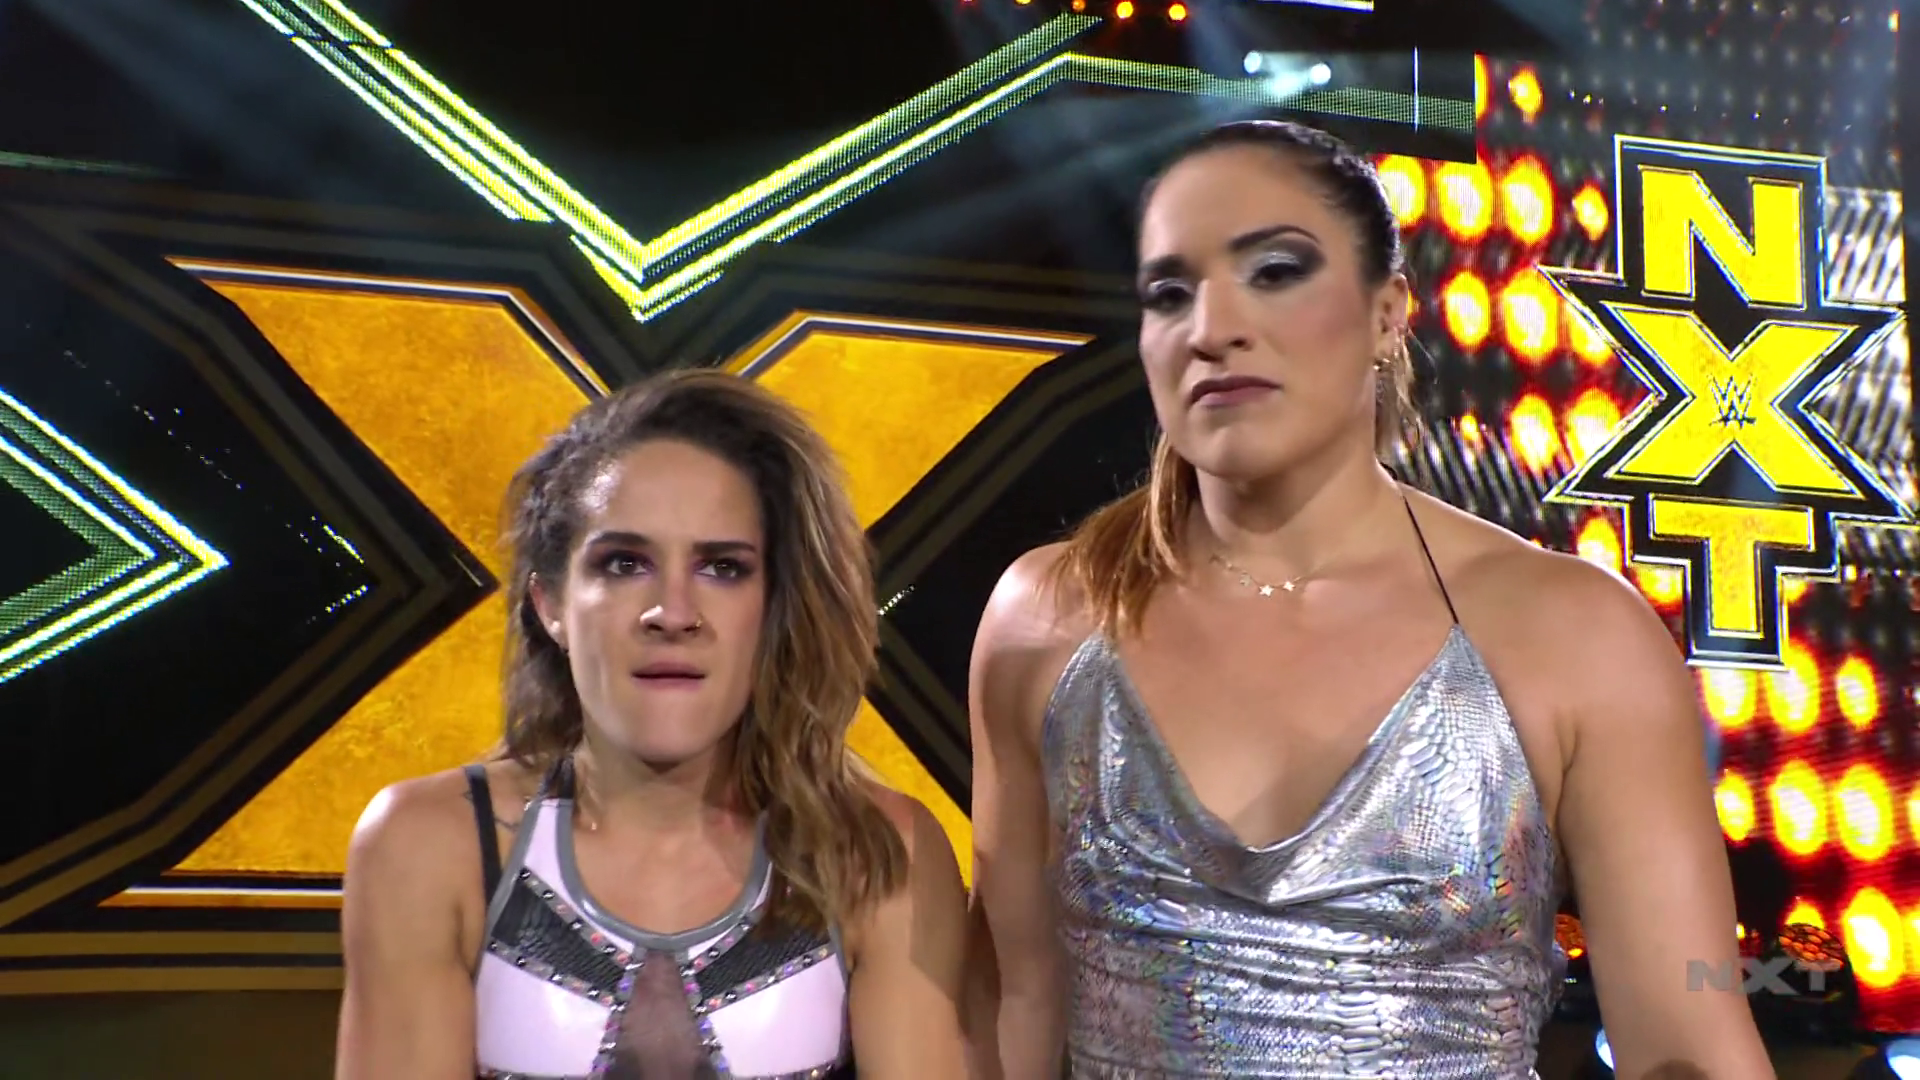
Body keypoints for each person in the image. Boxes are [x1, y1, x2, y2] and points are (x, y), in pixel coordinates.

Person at [964, 120, 1773, 1079]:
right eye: (1170, 293)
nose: (1211, 328)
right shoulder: (1050, 618)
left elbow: (1685, 1047)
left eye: (1275, 271)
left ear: (1388, 314)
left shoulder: (1571, 634)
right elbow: (1010, 1007)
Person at [337, 371, 968, 1079]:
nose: (673, 613)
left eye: (723, 567)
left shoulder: (880, 854)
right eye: (624, 563)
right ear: (549, 604)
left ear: (776, 606)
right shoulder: (426, 845)